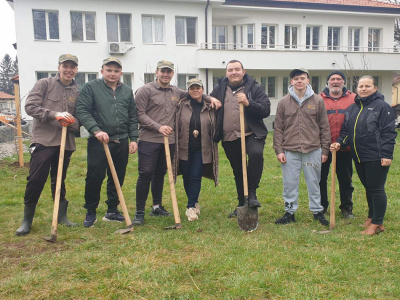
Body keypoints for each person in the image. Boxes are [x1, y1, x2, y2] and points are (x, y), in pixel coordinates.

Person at [133, 60, 221, 225]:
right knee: (145, 174)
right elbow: (139, 114)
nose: (166, 74)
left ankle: (157, 206)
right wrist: (158, 127)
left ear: (172, 74)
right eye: (163, 71)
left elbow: (195, 93)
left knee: (160, 174)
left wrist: (211, 98)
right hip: (149, 139)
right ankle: (139, 212)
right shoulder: (145, 90)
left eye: (169, 72)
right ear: (156, 72)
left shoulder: (177, 91)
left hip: (170, 141)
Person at [15, 54, 79, 236]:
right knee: (36, 179)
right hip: (43, 140)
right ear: (59, 67)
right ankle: (27, 220)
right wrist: (55, 115)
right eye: (65, 66)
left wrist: (72, 122)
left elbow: (79, 118)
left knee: (59, 179)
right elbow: (30, 107)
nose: (69, 70)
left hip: (65, 143)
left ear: (76, 70)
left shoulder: (77, 91)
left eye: (72, 67)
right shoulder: (44, 84)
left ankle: (60, 216)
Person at [76, 57, 138, 228]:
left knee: (117, 177)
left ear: (121, 73)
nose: (112, 73)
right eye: (109, 70)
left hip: (122, 140)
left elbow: (132, 115)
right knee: (95, 176)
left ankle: (112, 210)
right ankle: (91, 211)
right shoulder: (91, 88)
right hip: (100, 141)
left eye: (116, 71)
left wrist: (133, 138)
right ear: (102, 71)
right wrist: (96, 130)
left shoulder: (126, 90)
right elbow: (82, 110)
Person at [331, 75, 397, 235]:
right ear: (356, 89)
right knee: (369, 188)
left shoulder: (383, 107)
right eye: (361, 86)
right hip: (359, 156)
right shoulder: (352, 109)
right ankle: (371, 217)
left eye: (368, 86)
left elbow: (388, 133)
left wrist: (387, 155)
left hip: (376, 155)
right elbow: (346, 131)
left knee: (376, 189)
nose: (364, 89)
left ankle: (377, 223)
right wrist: (340, 142)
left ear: (375, 88)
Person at [211, 60, 270, 218]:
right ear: (226, 73)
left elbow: (265, 109)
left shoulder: (254, 87)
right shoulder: (219, 88)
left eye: (237, 69)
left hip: (252, 133)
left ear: (243, 71)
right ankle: (242, 203)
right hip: (230, 136)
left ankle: (251, 194)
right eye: (230, 70)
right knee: (238, 170)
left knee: (256, 154)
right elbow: (207, 102)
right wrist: (210, 100)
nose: (234, 72)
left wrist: (249, 103)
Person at [273, 68, 330, 226]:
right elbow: (278, 128)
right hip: (290, 151)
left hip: (312, 150)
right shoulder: (284, 102)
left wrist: (325, 150)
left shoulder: (317, 101)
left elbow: (324, 127)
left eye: (302, 78)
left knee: (314, 182)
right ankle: (289, 212)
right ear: (291, 81)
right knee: (289, 184)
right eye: (296, 78)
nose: (299, 81)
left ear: (308, 81)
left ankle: (317, 211)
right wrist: (279, 150)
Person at [173, 78, 218, 221]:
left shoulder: (209, 106)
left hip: (202, 148)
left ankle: (190, 206)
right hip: (184, 146)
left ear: (203, 90)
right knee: (186, 175)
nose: (195, 90)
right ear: (188, 90)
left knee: (195, 174)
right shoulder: (182, 105)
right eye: (192, 88)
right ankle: (194, 201)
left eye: (198, 88)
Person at [319, 71, 356, 218]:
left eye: (339, 79)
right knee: (320, 179)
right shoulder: (318, 99)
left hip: (344, 147)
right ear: (327, 83)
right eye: (332, 79)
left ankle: (346, 208)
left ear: (344, 83)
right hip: (323, 147)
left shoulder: (353, 99)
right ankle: (321, 207)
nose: (335, 81)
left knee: (345, 180)